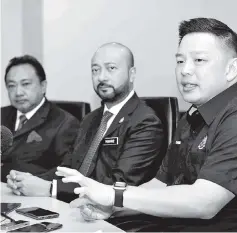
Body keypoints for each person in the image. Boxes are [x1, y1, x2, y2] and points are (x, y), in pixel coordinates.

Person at [56, 18, 237, 231]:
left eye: (199, 60)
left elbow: (205, 202)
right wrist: (113, 207)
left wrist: (114, 195)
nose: (185, 70)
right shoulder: (192, 116)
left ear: (231, 69)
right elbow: (160, 185)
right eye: (180, 61)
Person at [6, 43, 165, 203]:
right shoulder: (91, 119)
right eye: (95, 70)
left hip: (114, 216)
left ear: (132, 74)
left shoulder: (145, 122)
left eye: (111, 68)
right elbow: (68, 167)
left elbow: (119, 185)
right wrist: (28, 181)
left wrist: (50, 188)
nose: (101, 77)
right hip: (75, 205)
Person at [1, 55, 80, 183]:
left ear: (43, 86)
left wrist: (34, 182)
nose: (18, 92)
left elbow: (68, 169)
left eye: (25, 84)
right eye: (11, 86)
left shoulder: (65, 123)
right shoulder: (2, 115)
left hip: (35, 197)